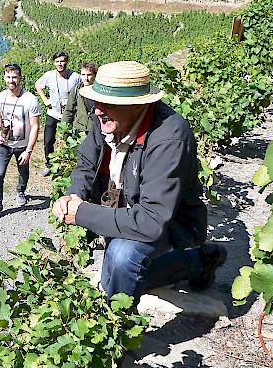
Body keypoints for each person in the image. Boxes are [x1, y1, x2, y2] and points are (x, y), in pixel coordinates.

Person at [52, 60, 227, 305]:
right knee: (112, 279)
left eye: (108, 104)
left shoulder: (168, 137)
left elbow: (151, 221)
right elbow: (86, 163)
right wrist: (75, 195)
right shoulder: (107, 118)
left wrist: (81, 214)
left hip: (172, 222)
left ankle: (121, 329)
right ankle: (199, 262)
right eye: (96, 102)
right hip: (128, 211)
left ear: (136, 106)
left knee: (123, 257)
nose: (97, 110)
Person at [0, 63, 42, 221]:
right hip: (4, 144)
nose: (11, 80)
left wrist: (29, 150)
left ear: (20, 78)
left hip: (22, 146)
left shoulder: (30, 100)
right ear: (4, 78)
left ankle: (21, 191)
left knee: (23, 172)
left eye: (14, 77)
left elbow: (36, 126)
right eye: (8, 77)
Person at [35, 51, 79, 177]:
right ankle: (49, 165)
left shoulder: (74, 77)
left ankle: (69, 165)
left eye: (62, 61)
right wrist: (45, 100)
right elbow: (38, 85)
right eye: (57, 61)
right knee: (48, 141)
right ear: (54, 63)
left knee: (68, 140)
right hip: (52, 113)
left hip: (69, 114)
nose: (60, 64)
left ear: (67, 62)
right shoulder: (49, 76)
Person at [61, 61, 98, 134]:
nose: (86, 78)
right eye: (83, 75)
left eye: (89, 75)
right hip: (80, 130)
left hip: (96, 129)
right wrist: (63, 130)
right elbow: (68, 111)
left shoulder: (100, 92)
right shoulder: (76, 90)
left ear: (95, 75)